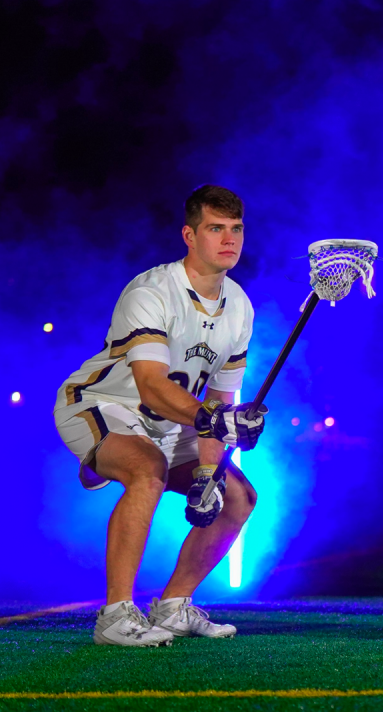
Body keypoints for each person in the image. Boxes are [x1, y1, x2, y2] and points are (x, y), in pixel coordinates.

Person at [52, 185, 265, 646]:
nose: (229, 239)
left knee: (238, 497)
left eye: (236, 229)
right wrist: (215, 420)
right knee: (146, 468)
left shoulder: (241, 307)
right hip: (101, 404)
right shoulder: (152, 291)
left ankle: (173, 606)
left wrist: (209, 470)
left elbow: (220, 403)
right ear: (189, 235)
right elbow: (151, 384)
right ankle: (114, 616)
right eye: (215, 229)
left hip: (172, 424)